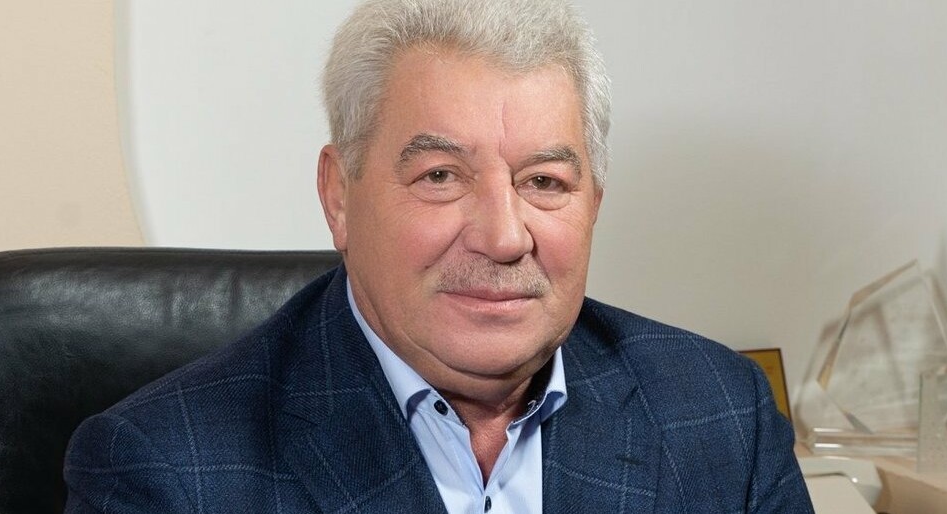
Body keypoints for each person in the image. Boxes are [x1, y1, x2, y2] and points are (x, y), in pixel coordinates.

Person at [64, 0, 811, 512]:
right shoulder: (168, 470)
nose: (504, 237)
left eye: (544, 182)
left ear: (594, 203)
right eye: (441, 177)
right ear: (339, 197)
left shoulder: (721, 416)